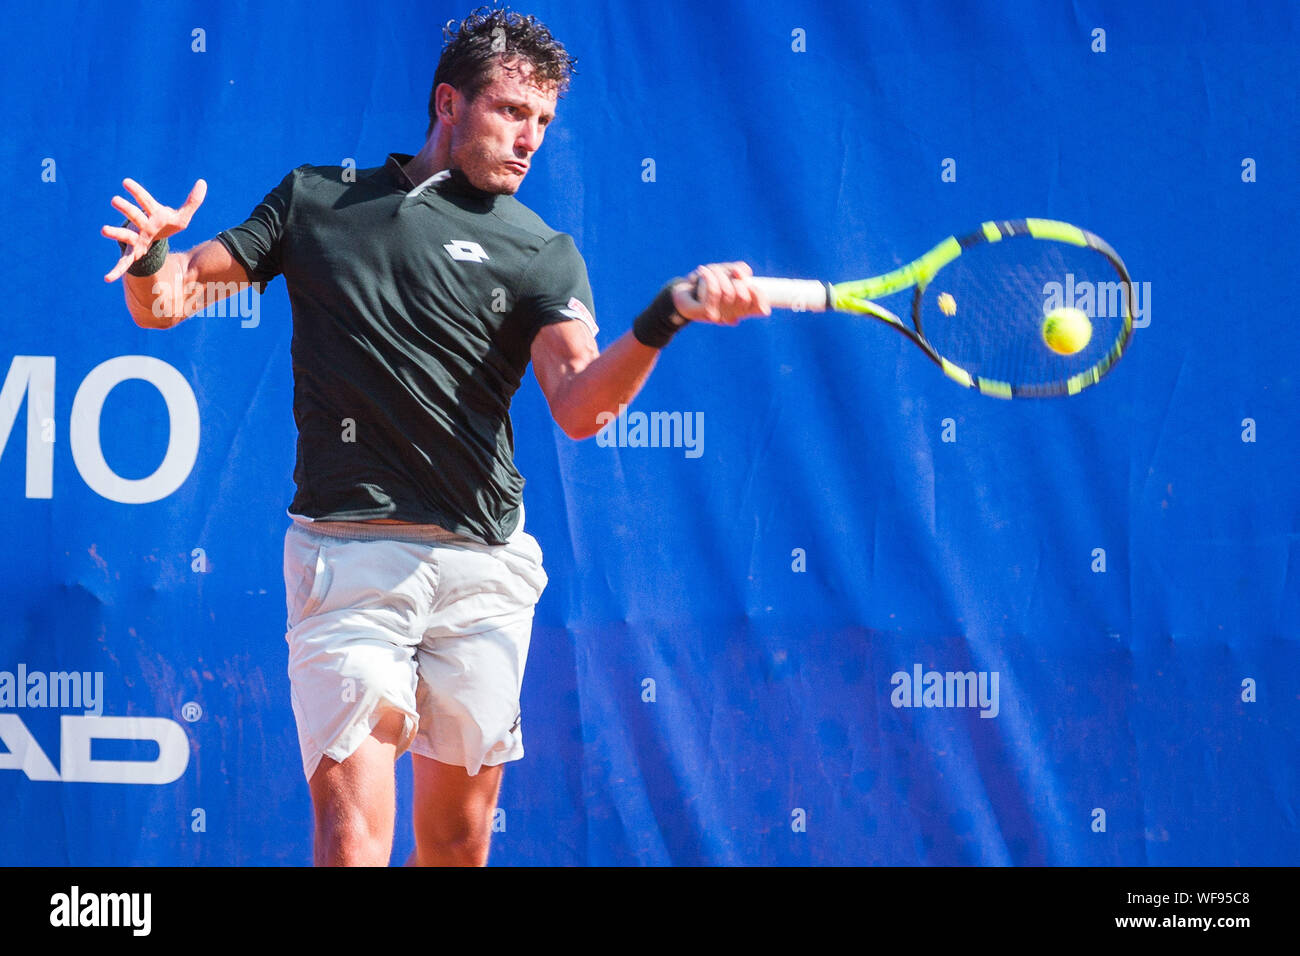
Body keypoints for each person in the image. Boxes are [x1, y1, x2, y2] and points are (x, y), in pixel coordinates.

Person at [101, 7, 768, 866]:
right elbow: (170, 302)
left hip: (483, 576)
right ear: (448, 102)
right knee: (351, 842)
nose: (530, 140)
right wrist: (157, 256)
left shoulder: (542, 252)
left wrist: (664, 317)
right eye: (511, 113)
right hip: (349, 566)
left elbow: (579, 406)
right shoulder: (318, 202)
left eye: (543, 123)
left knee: (455, 848)